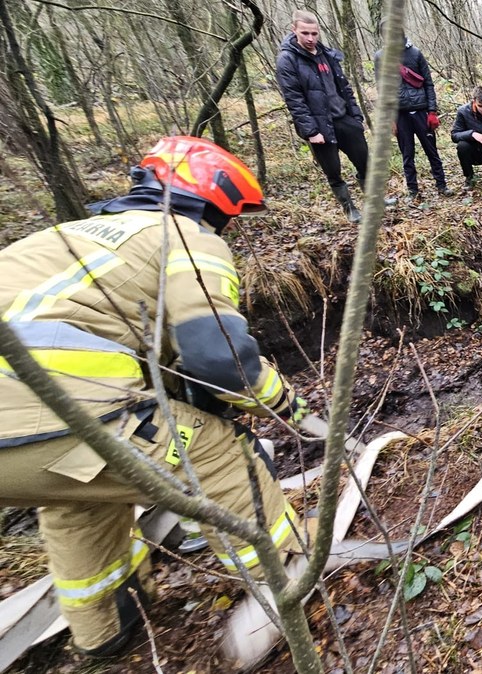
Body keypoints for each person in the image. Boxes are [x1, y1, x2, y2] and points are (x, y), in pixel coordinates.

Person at [0, 136, 307, 657]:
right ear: (210, 201)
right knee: (222, 454)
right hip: (60, 411)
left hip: (32, 448)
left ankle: (101, 632)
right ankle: (289, 582)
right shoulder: (184, 237)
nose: (222, 228)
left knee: (77, 497)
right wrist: (281, 405)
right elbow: (221, 360)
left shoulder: (58, 238)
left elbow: (159, 367)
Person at [277, 9, 371, 223]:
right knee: (333, 171)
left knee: (365, 162)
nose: (310, 38)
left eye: (314, 33)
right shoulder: (287, 60)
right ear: (294, 30)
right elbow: (294, 100)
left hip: (345, 119)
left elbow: (345, 88)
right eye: (305, 33)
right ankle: (350, 209)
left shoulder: (326, 54)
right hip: (320, 127)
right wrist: (311, 131)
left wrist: (356, 117)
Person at [375, 21, 454, 200]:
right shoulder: (380, 57)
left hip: (421, 111)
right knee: (407, 154)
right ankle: (413, 190)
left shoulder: (415, 53)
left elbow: (428, 83)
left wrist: (432, 111)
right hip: (399, 114)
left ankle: (442, 185)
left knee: (431, 151)